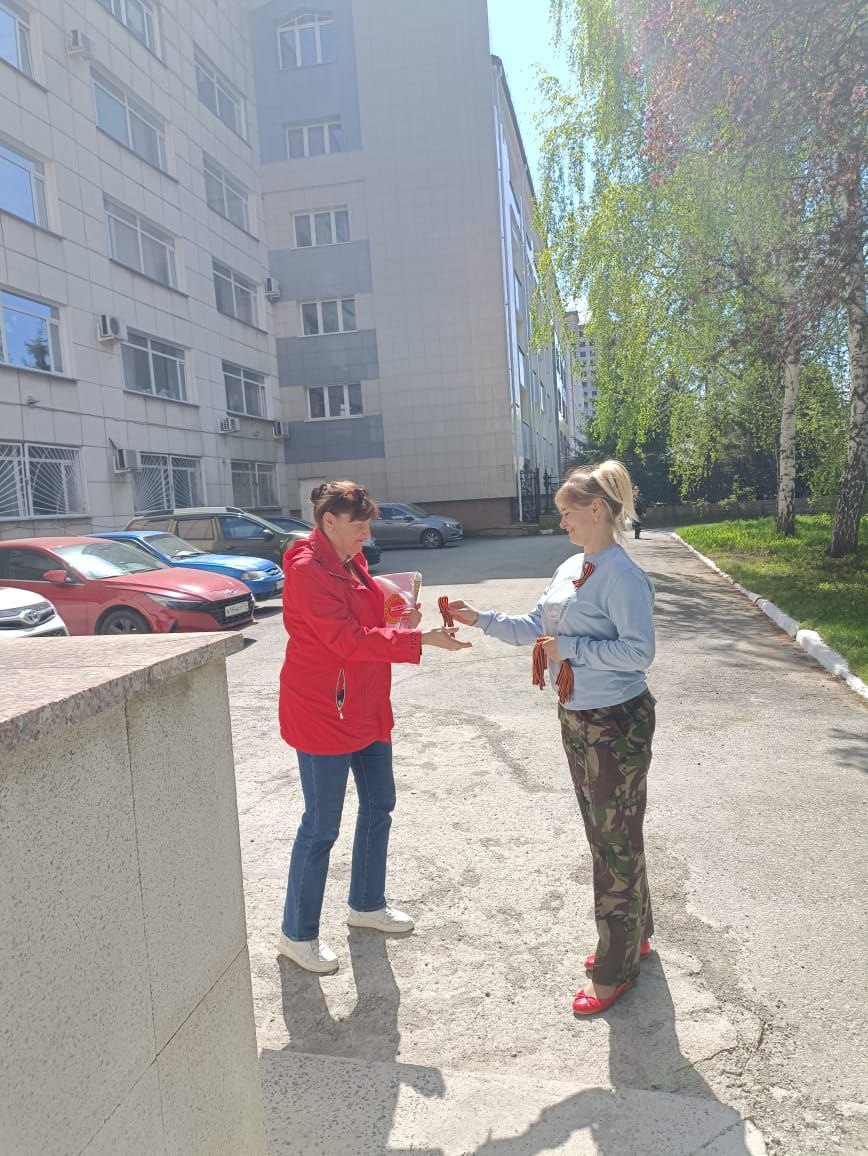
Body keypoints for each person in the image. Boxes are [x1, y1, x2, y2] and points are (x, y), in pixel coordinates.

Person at [448, 461, 656, 1015]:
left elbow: (638, 653)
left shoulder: (622, 575)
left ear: (596, 510)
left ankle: (614, 971)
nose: (560, 520)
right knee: (609, 833)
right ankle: (634, 935)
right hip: (577, 715)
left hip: (616, 721)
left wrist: (572, 650)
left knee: (613, 839)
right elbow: (535, 629)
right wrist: (480, 618)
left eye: (567, 511)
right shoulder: (571, 567)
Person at [278, 480, 470, 974]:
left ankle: (366, 903)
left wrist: (401, 616)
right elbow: (345, 639)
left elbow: (367, 620)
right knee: (321, 826)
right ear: (329, 522)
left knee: (379, 803)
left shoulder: (350, 559)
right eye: (359, 525)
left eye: (368, 524)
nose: (368, 533)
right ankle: (296, 934)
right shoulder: (307, 569)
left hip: (365, 704)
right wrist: (418, 642)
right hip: (324, 711)